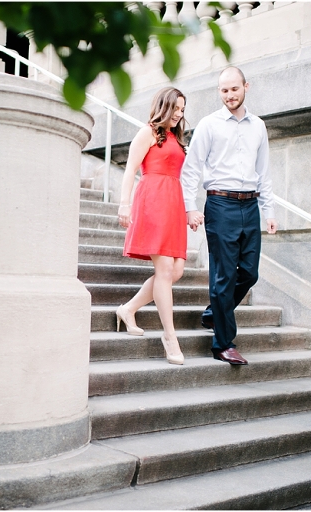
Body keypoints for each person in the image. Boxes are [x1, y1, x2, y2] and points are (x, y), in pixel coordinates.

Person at [181, 66, 278, 366]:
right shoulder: (209, 125)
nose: (229, 95)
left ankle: (214, 313)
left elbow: (264, 172)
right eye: (224, 90)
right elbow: (191, 169)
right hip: (220, 205)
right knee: (223, 276)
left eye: (234, 89)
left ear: (246, 86)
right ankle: (223, 343)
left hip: (250, 206)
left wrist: (269, 211)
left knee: (249, 273)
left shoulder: (258, 126)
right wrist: (190, 207)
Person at [116, 87, 188, 365]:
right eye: (176, 109)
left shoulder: (174, 135)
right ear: (164, 107)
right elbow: (131, 169)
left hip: (173, 203)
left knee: (175, 271)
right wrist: (124, 204)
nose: (180, 114)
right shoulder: (147, 132)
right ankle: (170, 337)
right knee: (165, 269)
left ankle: (129, 308)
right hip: (152, 201)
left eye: (183, 110)